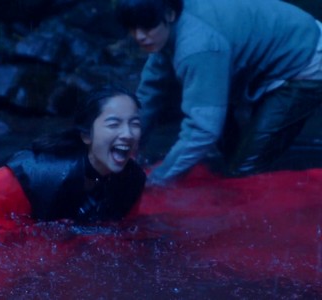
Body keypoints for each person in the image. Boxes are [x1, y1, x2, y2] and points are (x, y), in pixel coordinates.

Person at [115, 0, 322, 185]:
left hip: (305, 60)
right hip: (276, 46)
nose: (140, 36)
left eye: (147, 26)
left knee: (243, 172)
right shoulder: (167, 28)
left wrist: (156, 180)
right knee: (229, 146)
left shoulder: (197, 46)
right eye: (133, 28)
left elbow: (203, 130)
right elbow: (149, 96)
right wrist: (129, 148)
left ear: (169, 15)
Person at [0, 85, 146, 224]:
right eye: (114, 124)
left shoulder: (132, 178)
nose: (127, 134)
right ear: (86, 135)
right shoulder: (37, 173)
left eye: (134, 124)